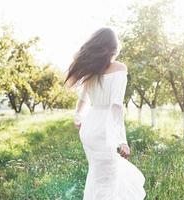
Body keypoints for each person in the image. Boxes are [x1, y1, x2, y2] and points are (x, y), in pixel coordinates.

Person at [64, 27, 146, 200]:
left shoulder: (91, 70)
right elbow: (116, 107)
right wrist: (122, 140)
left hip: (89, 127)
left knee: (97, 176)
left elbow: (83, 100)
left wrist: (78, 116)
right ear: (114, 47)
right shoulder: (119, 68)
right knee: (107, 180)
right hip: (105, 129)